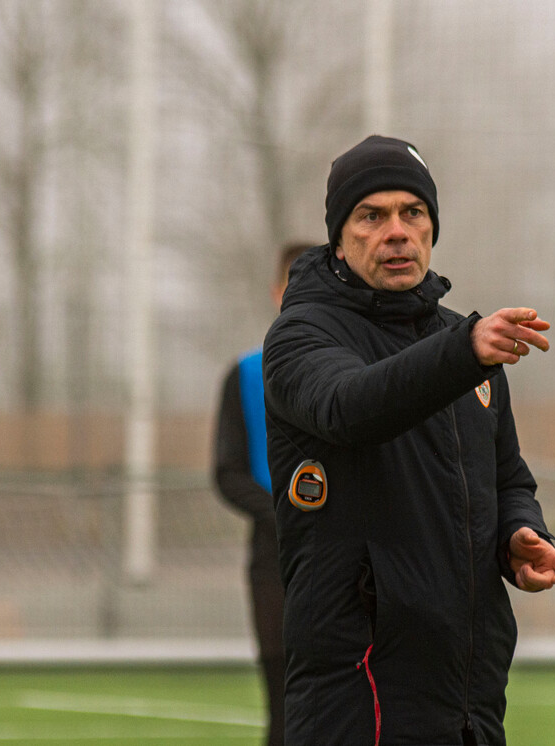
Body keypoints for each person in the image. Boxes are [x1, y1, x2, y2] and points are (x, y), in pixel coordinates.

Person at [262, 135, 555, 746]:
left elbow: (508, 477)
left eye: (413, 212)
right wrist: (464, 353)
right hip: (360, 694)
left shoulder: (464, 343)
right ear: (340, 236)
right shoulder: (300, 335)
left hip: (468, 693)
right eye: (372, 216)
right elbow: (352, 406)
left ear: (433, 227)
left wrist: (518, 533)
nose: (397, 231)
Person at [213, 241, 311, 746]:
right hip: (274, 563)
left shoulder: (367, 375)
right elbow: (226, 473)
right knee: (285, 708)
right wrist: (289, 512)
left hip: (353, 563)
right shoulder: (246, 374)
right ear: (276, 292)